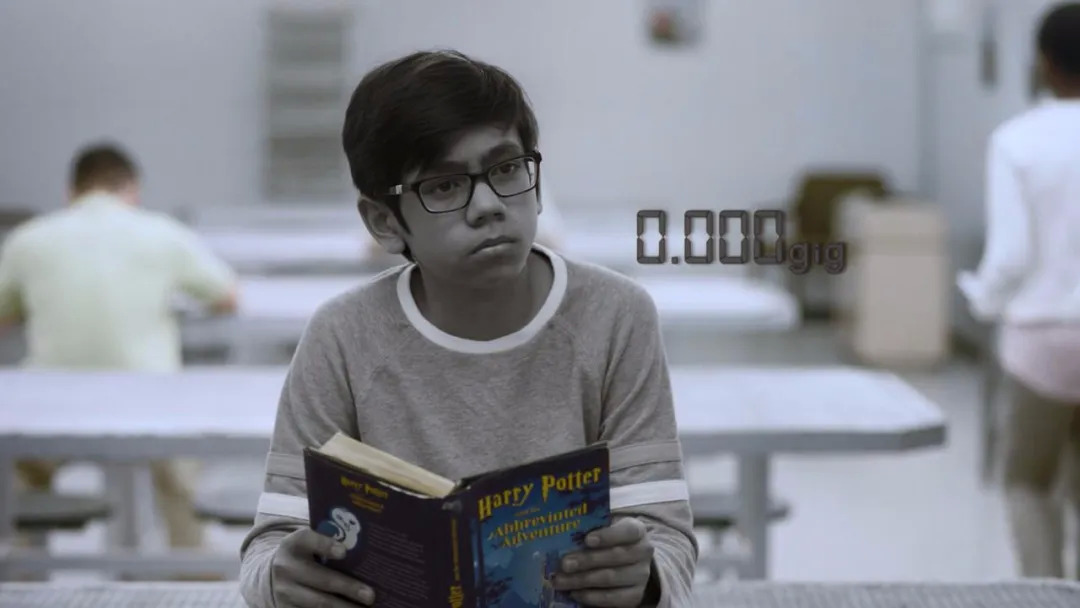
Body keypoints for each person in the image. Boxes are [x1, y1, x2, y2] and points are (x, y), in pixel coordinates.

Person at [239, 50, 697, 607]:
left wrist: (644, 581)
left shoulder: (616, 316)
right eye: (444, 186)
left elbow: (666, 540)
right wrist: (280, 580)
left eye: (506, 170)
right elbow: (272, 544)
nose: (488, 205)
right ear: (383, 221)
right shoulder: (342, 336)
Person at [0, 143, 239, 559]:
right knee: (179, 474)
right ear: (132, 189)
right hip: (151, 402)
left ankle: (22, 564)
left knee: (25, 474)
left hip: (52, 405)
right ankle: (191, 565)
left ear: (71, 191)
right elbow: (227, 298)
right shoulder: (162, 232)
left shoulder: (29, 238)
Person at [958, 1, 1080, 580]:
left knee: (1028, 481)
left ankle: (1046, 594)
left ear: (1044, 61)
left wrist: (983, 299)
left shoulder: (1017, 141)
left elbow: (1011, 256)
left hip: (1041, 342)